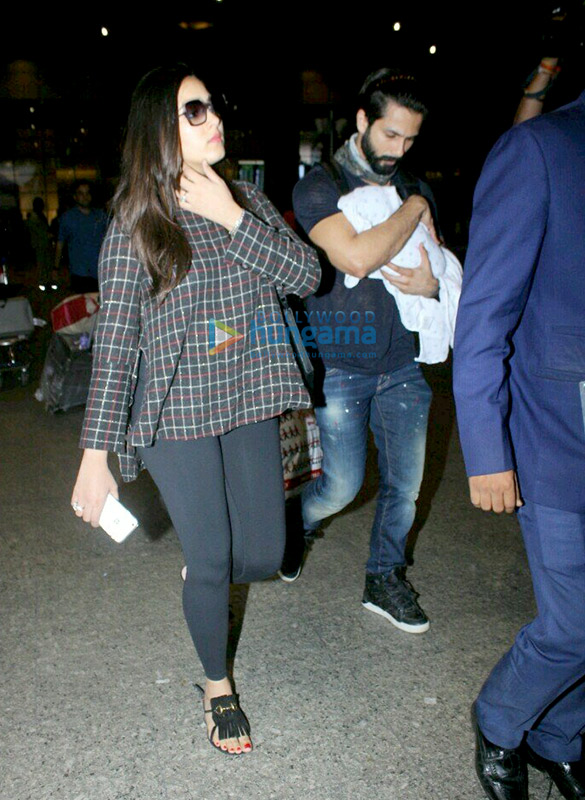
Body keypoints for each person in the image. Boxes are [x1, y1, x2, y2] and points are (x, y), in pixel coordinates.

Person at [71, 64, 320, 756]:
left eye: (211, 106)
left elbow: (306, 276)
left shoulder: (250, 201)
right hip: (173, 413)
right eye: (193, 111)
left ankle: (205, 576)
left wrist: (233, 219)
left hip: (248, 396)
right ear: (159, 129)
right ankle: (217, 687)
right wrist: (95, 456)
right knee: (211, 556)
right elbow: (116, 342)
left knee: (264, 553)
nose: (213, 119)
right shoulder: (134, 222)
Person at [453, 90, 585, 800]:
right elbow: (482, 318)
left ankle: (559, 736)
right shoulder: (539, 148)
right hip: (557, 435)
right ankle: (500, 719)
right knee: (574, 623)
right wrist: (487, 451)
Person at [289, 69, 441, 634]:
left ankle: (384, 577)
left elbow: (437, 266)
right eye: (390, 136)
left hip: (401, 363)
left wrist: (433, 287)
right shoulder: (318, 186)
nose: (398, 151)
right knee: (341, 487)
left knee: (406, 484)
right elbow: (354, 258)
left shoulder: (414, 186)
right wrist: (415, 207)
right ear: (362, 122)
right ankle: (297, 523)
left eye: (409, 140)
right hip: (342, 365)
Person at [55, 181, 108, 293]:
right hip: (79, 274)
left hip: (101, 271)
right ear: (75, 197)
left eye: (87, 193)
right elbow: (60, 243)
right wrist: (56, 267)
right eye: (81, 193)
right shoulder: (67, 218)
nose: (85, 197)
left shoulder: (101, 216)